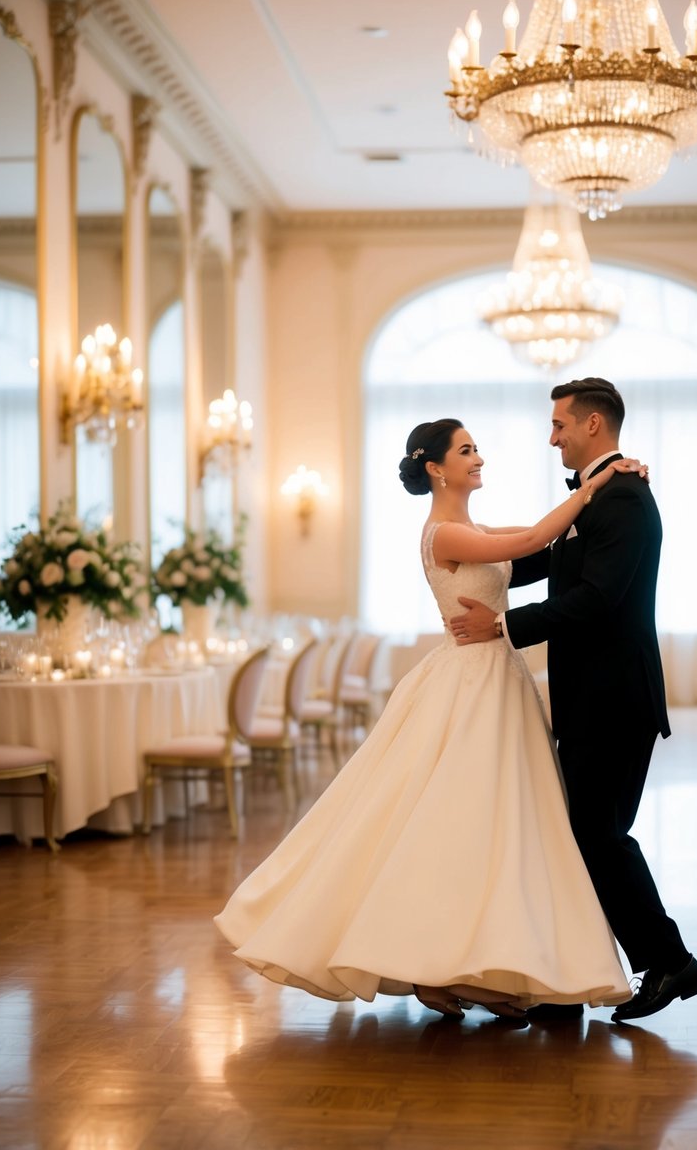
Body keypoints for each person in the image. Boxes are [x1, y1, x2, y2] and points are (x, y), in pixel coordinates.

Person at [215, 417, 641, 1023]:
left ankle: (475, 963)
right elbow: (528, 545)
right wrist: (593, 486)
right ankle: (436, 965)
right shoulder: (444, 533)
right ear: (436, 467)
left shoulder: (471, 525)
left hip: (497, 680)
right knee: (456, 819)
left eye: (477, 449)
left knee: (497, 824)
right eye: (467, 451)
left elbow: (545, 542)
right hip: (470, 685)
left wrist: (596, 495)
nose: (479, 459)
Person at [449, 379, 697, 1023]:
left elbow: (597, 599)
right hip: (590, 702)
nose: (552, 435)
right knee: (585, 835)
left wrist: (502, 627)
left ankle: (669, 960)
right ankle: (573, 977)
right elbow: (532, 559)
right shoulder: (596, 498)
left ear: (594, 425)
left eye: (560, 424)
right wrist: (456, 535)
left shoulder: (623, 500)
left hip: (616, 701)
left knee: (599, 834)